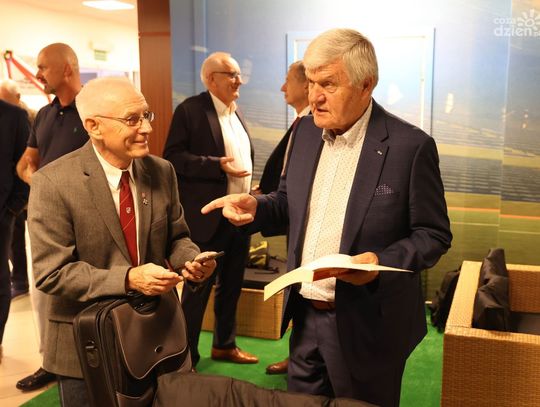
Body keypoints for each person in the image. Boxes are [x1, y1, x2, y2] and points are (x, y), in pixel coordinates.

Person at [201, 28, 452, 407]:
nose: (314, 96)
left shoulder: (409, 147)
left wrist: (379, 263)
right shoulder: (304, 132)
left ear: (366, 84)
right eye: (312, 82)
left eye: (329, 84)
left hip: (370, 326)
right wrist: (258, 207)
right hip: (305, 318)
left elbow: (432, 234)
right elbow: (288, 201)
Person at [27, 76, 217, 406]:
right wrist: (129, 279)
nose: (146, 128)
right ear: (94, 126)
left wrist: (190, 260)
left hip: (154, 335)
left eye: (146, 116)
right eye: (132, 119)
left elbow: (177, 236)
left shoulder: (162, 171)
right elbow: (51, 273)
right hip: (87, 345)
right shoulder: (53, 183)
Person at [163, 51, 258, 368]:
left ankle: (224, 345)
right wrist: (214, 164)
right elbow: (172, 157)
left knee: (231, 287)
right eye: (232, 74)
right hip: (207, 219)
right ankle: (186, 355)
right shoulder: (191, 110)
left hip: (238, 219)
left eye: (238, 74)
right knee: (197, 290)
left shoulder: (236, 112)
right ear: (210, 79)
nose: (239, 80)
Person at [15, 43, 89, 392]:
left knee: (83, 290)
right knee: (43, 292)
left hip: (85, 219)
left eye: (43, 67)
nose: (38, 74)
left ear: (67, 68)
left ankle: (90, 359)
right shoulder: (44, 115)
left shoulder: (92, 109)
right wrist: (42, 184)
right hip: (45, 220)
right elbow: (25, 164)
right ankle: (50, 361)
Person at [252, 61, 310, 375]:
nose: (282, 87)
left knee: (303, 286)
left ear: (306, 84)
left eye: (288, 80)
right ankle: (298, 355)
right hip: (290, 216)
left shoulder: (313, 125)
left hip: (303, 222)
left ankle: (302, 357)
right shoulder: (302, 123)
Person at [0, 99, 30, 364]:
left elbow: (25, 167)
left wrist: (11, 209)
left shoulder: (14, 117)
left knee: (0, 280)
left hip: (2, 214)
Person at [0, 79, 34, 300]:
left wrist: (13, 207)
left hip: (12, 202)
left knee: (17, 239)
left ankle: (20, 280)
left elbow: (26, 161)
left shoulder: (21, 116)